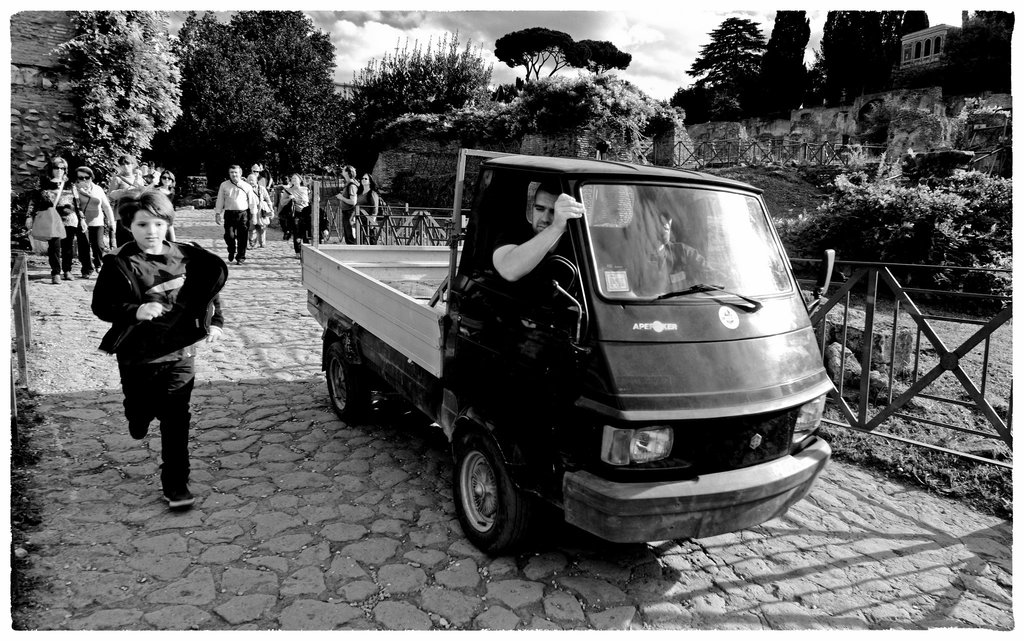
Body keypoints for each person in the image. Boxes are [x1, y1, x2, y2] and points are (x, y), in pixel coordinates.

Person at [90, 189, 227, 510]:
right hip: (137, 356)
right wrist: (134, 311)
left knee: (176, 417)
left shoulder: (188, 257)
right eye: (142, 225)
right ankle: (136, 414)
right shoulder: (120, 264)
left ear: (167, 223)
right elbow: (101, 305)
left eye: (157, 223)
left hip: (180, 354)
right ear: (128, 227)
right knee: (140, 411)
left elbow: (207, 293)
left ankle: (176, 485)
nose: (151, 231)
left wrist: (217, 322)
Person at [492, 180, 585, 282]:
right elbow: (509, 270)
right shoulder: (514, 234)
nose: (545, 219)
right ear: (532, 209)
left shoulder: (577, 243)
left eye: (553, 212)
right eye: (539, 209)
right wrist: (556, 227)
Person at [25, 157, 77, 284]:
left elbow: (77, 202)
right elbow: (34, 201)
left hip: (68, 219)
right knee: (54, 246)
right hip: (52, 218)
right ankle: (55, 272)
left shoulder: (70, 184)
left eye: (62, 168)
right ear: (51, 169)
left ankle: (67, 270)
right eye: (56, 168)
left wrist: (82, 218)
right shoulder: (44, 184)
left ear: (65, 170)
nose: (59, 171)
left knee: (67, 246)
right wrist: (29, 216)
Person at [72, 166, 116, 277]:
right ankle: (87, 269)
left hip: (97, 222)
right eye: (80, 178)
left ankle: (98, 264)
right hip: (82, 223)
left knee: (99, 245)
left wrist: (112, 221)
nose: (84, 180)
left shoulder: (98, 189)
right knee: (84, 246)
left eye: (87, 177)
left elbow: (106, 206)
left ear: (91, 177)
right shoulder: (74, 189)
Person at [213, 164, 258, 264]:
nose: (234, 174)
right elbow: (220, 200)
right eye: (231, 173)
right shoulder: (224, 185)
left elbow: (252, 202)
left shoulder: (247, 186)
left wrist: (254, 215)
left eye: (236, 172)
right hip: (229, 213)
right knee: (229, 235)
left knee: (243, 236)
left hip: (243, 214)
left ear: (240, 173)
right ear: (229, 174)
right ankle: (231, 249)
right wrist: (217, 213)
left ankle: (241, 257)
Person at [107, 155, 143, 247]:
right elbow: (111, 195)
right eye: (122, 164)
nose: (125, 166)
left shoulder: (138, 178)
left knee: (136, 243)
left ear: (133, 164)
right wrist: (126, 191)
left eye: (128, 164)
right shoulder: (117, 178)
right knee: (123, 244)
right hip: (122, 216)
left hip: (136, 215)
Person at [280, 173, 311, 257]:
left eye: (295, 178)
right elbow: (282, 202)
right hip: (295, 213)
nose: (293, 180)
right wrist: (289, 199)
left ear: (300, 180)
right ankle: (298, 251)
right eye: (292, 179)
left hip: (306, 212)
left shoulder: (306, 189)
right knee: (297, 232)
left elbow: (311, 200)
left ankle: (307, 251)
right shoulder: (288, 190)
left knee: (306, 232)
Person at [246, 172, 274, 249]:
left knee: (262, 227)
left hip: (261, 210)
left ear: (256, 180)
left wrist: (271, 208)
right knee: (251, 227)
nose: (251, 182)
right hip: (250, 210)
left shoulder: (261, 188)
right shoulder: (246, 189)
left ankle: (262, 242)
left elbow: (268, 199)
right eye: (249, 180)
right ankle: (252, 243)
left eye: (252, 180)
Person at [355, 172, 382, 245]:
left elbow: (375, 208)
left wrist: (372, 221)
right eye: (362, 178)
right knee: (360, 242)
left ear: (370, 181)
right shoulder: (360, 193)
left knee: (371, 241)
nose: (363, 180)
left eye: (366, 179)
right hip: (360, 220)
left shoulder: (372, 193)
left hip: (368, 221)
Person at [335, 165, 359, 244]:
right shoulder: (348, 184)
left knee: (350, 236)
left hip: (350, 213)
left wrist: (341, 198)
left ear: (348, 173)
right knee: (348, 234)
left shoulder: (351, 185)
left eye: (344, 170)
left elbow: (353, 202)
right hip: (346, 212)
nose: (342, 170)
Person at [155, 170, 178, 242]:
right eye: (164, 177)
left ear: (172, 180)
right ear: (161, 179)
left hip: (168, 218)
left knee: (172, 241)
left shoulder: (172, 192)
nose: (166, 180)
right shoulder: (156, 190)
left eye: (169, 178)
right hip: (157, 217)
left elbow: (173, 207)